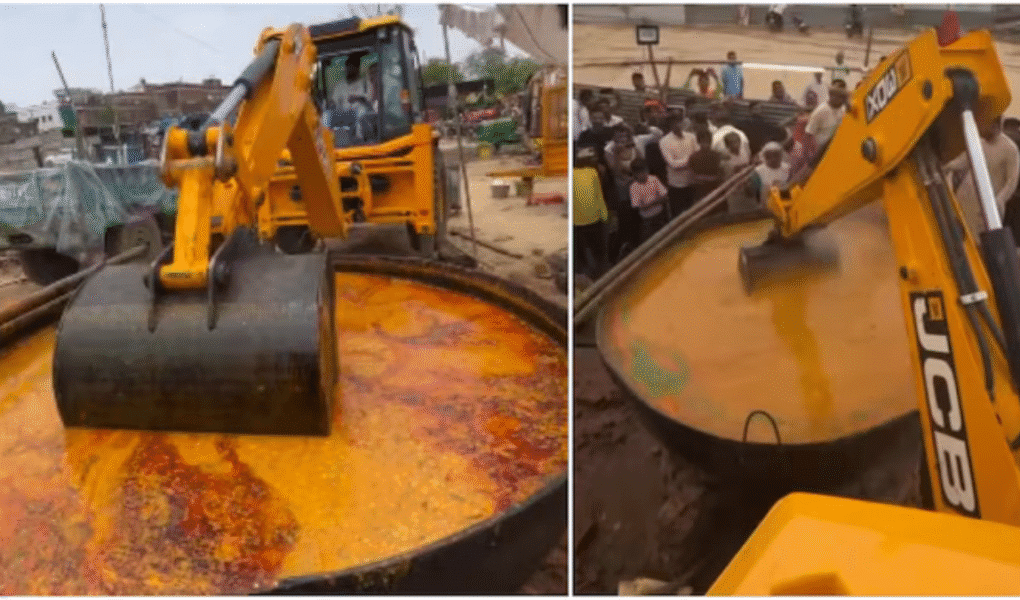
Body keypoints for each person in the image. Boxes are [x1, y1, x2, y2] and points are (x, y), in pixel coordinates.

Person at [944, 115, 1020, 239]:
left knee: (978, 240)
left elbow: (1012, 181)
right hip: (966, 196)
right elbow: (965, 160)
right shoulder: (979, 141)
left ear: (996, 127)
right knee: (957, 233)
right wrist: (949, 166)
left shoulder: (1010, 149)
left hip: (988, 204)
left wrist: (1000, 199)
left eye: (986, 126)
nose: (982, 129)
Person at [573, 146, 609, 278]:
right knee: (598, 251)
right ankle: (599, 275)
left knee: (581, 254)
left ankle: (584, 275)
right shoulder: (592, 173)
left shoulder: (572, 174)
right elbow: (599, 196)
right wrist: (605, 216)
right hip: (594, 220)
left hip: (577, 223)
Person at [659, 113, 699, 218]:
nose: (677, 125)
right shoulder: (664, 142)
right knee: (678, 217)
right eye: (673, 122)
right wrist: (691, 160)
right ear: (670, 125)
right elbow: (673, 164)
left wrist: (686, 162)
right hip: (676, 186)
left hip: (692, 183)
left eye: (679, 121)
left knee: (693, 215)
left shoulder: (691, 137)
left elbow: (698, 156)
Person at [629, 158, 670, 242]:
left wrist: (648, 204)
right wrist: (657, 200)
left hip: (660, 215)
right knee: (652, 241)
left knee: (666, 239)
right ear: (634, 174)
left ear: (646, 169)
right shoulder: (634, 187)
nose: (642, 174)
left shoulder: (653, 179)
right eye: (638, 173)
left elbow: (665, 197)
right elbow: (641, 207)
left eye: (643, 171)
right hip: (647, 220)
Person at [805, 86, 847, 155]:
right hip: (821, 150)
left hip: (836, 147)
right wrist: (810, 154)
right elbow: (808, 134)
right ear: (831, 96)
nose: (843, 101)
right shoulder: (820, 111)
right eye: (841, 97)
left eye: (844, 98)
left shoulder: (842, 108)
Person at [688, 127, 725, 204]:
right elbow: (691, 176)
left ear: (711, 141)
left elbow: (721, 175)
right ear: (698, 142)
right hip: (700, 191)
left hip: (714, 189)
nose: (705, 144)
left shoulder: (717, 156)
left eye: (707, 142)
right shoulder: (693, 157)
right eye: (703, 142)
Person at [721, 131, 754, 213]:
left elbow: (750, 164)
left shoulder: (745, 150)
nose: (735, 144)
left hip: (748, 187)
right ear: (727, 145)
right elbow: (725, 175)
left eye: (737, 141)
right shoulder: (725, 157)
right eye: (732, 142)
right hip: (734, 190)